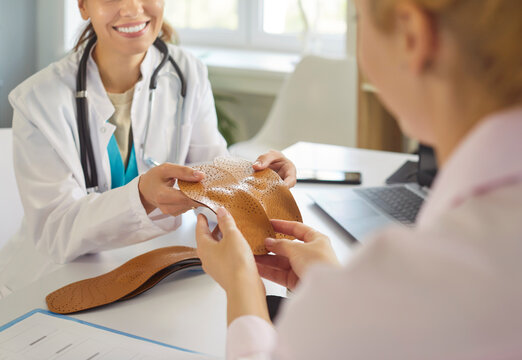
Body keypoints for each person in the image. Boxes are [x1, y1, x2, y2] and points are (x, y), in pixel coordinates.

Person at [196, 0, 522, 358]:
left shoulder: (424, 281)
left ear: (410, 36)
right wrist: (340, 295)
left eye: (358, 17)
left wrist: (242, 283)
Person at [0, 0, 295, 299]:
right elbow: (56, 231)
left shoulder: (187, 73)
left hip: (148, 274)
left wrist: (257, 183)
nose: (131, 10)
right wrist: (141, 196)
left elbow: (212, 177)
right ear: (83, 6)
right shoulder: (36, 100)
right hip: (49, 282)